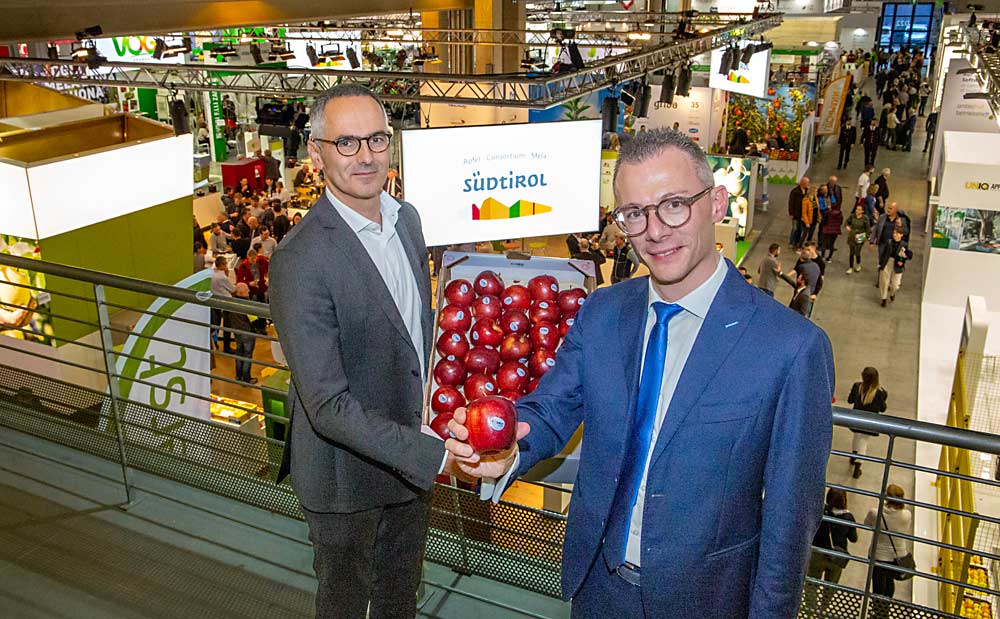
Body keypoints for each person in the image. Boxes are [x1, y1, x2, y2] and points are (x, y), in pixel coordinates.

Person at [444, 128, 834, 619]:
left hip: (706, 601)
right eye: (634, 214)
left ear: (716, 204)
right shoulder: (603, 312)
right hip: (598, 590)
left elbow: (789, 521)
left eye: (674, 205)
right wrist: (508, 452)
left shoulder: (791, 347)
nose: (655, 230)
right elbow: (551, 408)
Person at [268, 84, 462, 619]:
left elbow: (411, 337)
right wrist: (434, 455)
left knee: (400, 594)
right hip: (343, 476)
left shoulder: (409, 221)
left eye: (377, 139)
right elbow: (327, 406)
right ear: (316, 153)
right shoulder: (299, 259)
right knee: (346, 603)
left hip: (408, 461)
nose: (366, 155)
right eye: (347, 142)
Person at [805, 488, 858, 615]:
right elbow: (854, 539)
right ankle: (823, 610)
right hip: (836, 557)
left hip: (818, 554)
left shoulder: (820, 512)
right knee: (830, 586)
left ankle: (811, 610)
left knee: (812, 584)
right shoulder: (848, 517)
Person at [864, 485, 913, 619]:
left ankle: (878, 612)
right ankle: (885, 609)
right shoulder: (907, 515)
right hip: (898, 555)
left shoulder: (876, 512)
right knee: (889, 583)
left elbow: (867, 524)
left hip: (878, 555)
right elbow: (905, 530)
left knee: (878, 585)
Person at [847, 367, 888, 478]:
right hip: (870, 422)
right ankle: (858, 467)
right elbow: (882, 409)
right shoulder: (881, 392)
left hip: (856, 419)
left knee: (856, 437)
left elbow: (850, 400)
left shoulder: (857, 387)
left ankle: (853, 456)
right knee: (863, 442)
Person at [227, 282, 258, 384]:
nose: (249, 291)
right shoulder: (247, 304)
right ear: (241, 293)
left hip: (237, 332)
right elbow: (254, 320)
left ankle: (238, 376)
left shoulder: (232, 303)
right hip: (247, 333)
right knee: (247, 355)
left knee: (239, 353)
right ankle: (246, 378)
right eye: (246, 290)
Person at [877, 226, 912, 307]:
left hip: (898, 264)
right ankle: (884, 298)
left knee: (895, 284)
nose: (895, 235)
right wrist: (880, 263)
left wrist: (905, 256)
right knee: (884, 282)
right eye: (894, 233)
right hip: (887, 262)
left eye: (897, 233)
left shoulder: (904, 244)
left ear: (901, 235)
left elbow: (908, 255)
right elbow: (883, 253)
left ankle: (892, 293)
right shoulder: (888, 242)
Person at [210, 255, 235, 354]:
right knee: (227, 326)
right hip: (226, 303)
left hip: (215, 301)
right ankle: (227, 347)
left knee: (215, 324)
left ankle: (214, 343)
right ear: (223, 265)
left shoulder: (211, 274)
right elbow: (232, 289)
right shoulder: (222, 277)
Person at [844, 203, 872, 274]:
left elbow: (868, 229)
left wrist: (866, 237)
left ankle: (858, 264)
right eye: (857, 209)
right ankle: (850, 267)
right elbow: (847, 222)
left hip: (860, 236)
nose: (857, 211)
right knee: (851, 252)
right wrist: (847, 226)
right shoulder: (852, 216)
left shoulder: (865, 218)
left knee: (857, 251)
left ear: (862, 211)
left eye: (859, 210)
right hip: (852, 236)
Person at [788, 176, 809, 248]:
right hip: (796, 214)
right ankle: (791, 242)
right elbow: (791, 202)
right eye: (806, 183)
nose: (807, 184)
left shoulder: (807, 191)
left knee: (800, 229)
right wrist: (791, 213)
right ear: (802, 183)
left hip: (803, 215)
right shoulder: (795, 191)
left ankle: (797, 241)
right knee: (794, 228)